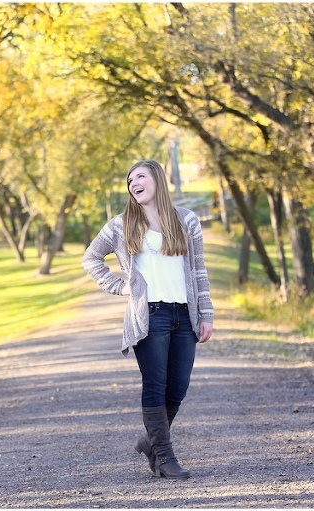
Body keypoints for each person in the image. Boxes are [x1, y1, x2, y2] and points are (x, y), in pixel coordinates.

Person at [81, 159, 214, 480]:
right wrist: (119, 286)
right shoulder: (121, 224)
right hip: (148, 314)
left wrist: (206, 313)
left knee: (178, 387)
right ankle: (165, 457)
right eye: (129, 181)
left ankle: (150, 440)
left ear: (157, 179)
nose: (133, 183)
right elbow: (90, 258)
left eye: (140, 176)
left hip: (185, 314)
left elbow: (199, 270)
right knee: (155, 385)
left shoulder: (186, 220)